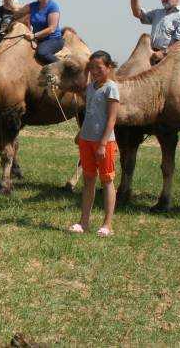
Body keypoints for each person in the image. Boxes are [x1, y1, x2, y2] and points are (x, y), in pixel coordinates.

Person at [69, 50, 119, 237]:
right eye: (92, 68)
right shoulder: (90, 88)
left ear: (108, 67)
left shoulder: (111, 88)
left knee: (107, 180)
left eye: (99, 68)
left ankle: (107, 224)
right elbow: (89, 113)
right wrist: (80, 134)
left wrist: (102, 144)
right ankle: (84, 222)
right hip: (86, 140)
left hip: (103, 143)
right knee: (88, 179)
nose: (96, 71)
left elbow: (112, 119)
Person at [4, 0, 63, 64]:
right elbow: (16, 11)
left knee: (41, 53)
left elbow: (52, 29)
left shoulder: (53, 6)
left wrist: (34, 35)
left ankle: (62, 67)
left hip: (53, 40)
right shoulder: (33, 6)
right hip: (38, 39)